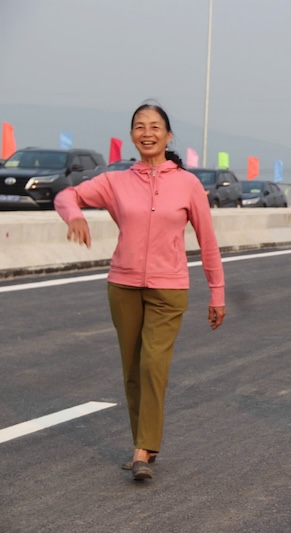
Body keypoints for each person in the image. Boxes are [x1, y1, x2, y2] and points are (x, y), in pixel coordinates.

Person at [54, 103, 226, 481]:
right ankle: (143, 445)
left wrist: (217, 291)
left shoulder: (187, 184)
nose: (147, 133)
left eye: (155, 127)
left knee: (153, 365)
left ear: (168, 135)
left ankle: (142, 449)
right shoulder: (116, 181)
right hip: (123, 286)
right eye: (139, 127)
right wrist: (76, 216)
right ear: (132, 134)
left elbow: (208, 241)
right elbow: (66, 196)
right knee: (132, 370)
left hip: (170, 289)